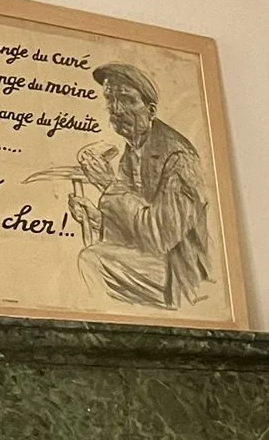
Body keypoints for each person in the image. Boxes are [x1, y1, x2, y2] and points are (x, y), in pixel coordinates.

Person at [71, 62, 211, 309]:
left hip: (180, 270)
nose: (115, 109)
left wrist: (109, 186)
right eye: (110, 99)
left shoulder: (178, 157)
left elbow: (160, 236)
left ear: (151, 110)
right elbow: (133, 228)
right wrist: (97, 220)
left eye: (125, 99)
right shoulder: (133, 150)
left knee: (92, 260)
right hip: (156, 262)